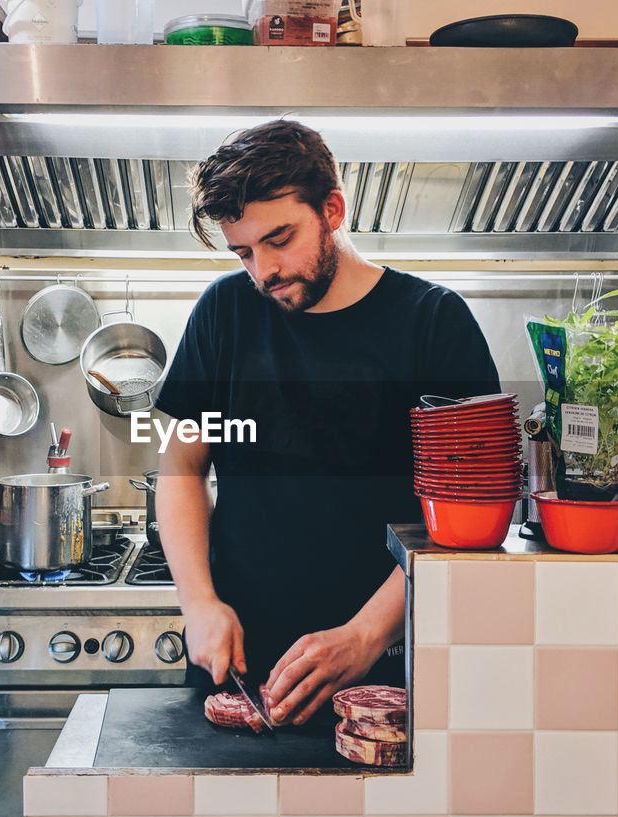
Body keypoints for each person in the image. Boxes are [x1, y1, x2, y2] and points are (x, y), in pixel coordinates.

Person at [153, 119, 500, 727]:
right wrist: (199, 603)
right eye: (244, 252)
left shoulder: (434, 324)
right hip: (241, 669)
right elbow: (181, 467)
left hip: (388, 667)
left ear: (332, 209)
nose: (263, 272)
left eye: (279, 239)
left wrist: (365, 637)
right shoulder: (223, 314)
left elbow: (469, 510)